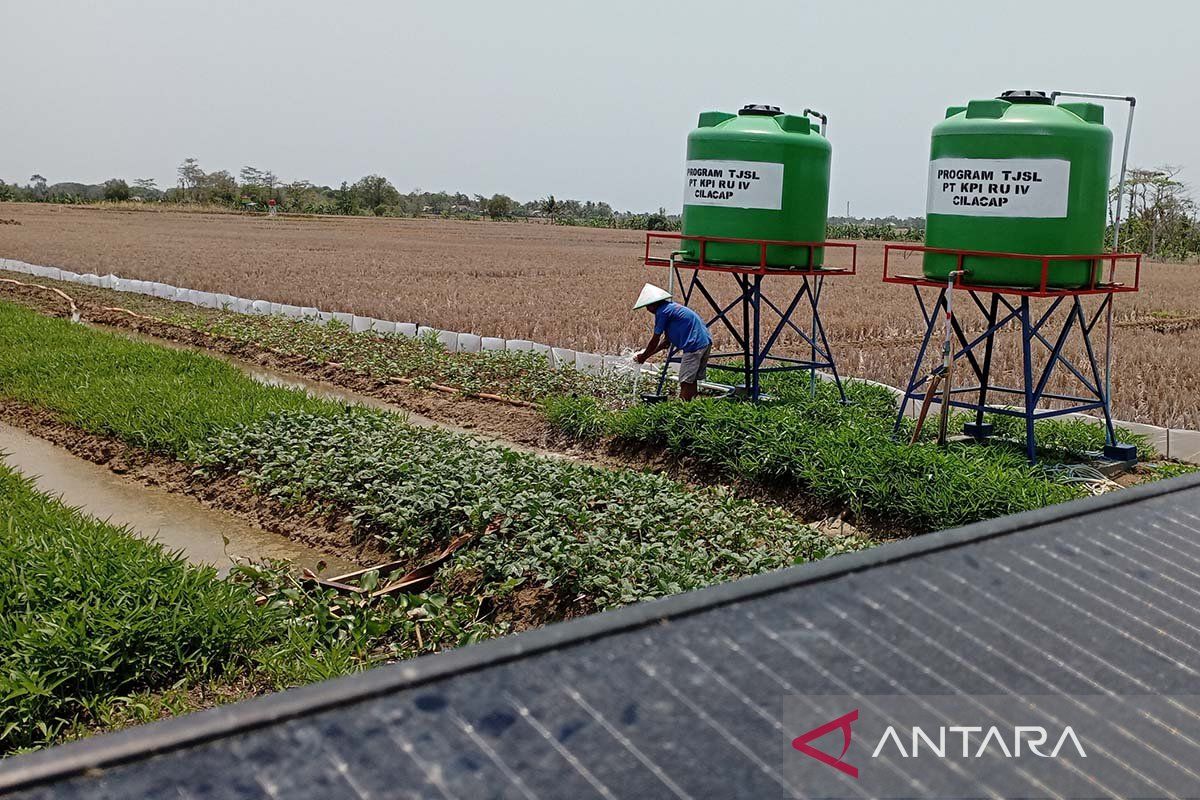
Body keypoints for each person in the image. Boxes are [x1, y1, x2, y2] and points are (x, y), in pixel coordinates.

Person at [632, 283, 712, 401]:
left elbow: (655, 340)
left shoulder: (662, 312)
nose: (648, 310)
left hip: (693, 346)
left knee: (685, 381)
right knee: (691, 379)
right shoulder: (671, 308)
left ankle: (682, 410)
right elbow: (665, 343)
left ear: (654, 304)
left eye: (648, 306)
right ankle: (693, 406)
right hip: (704, 342)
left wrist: (644, 356)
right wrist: (647, 355)